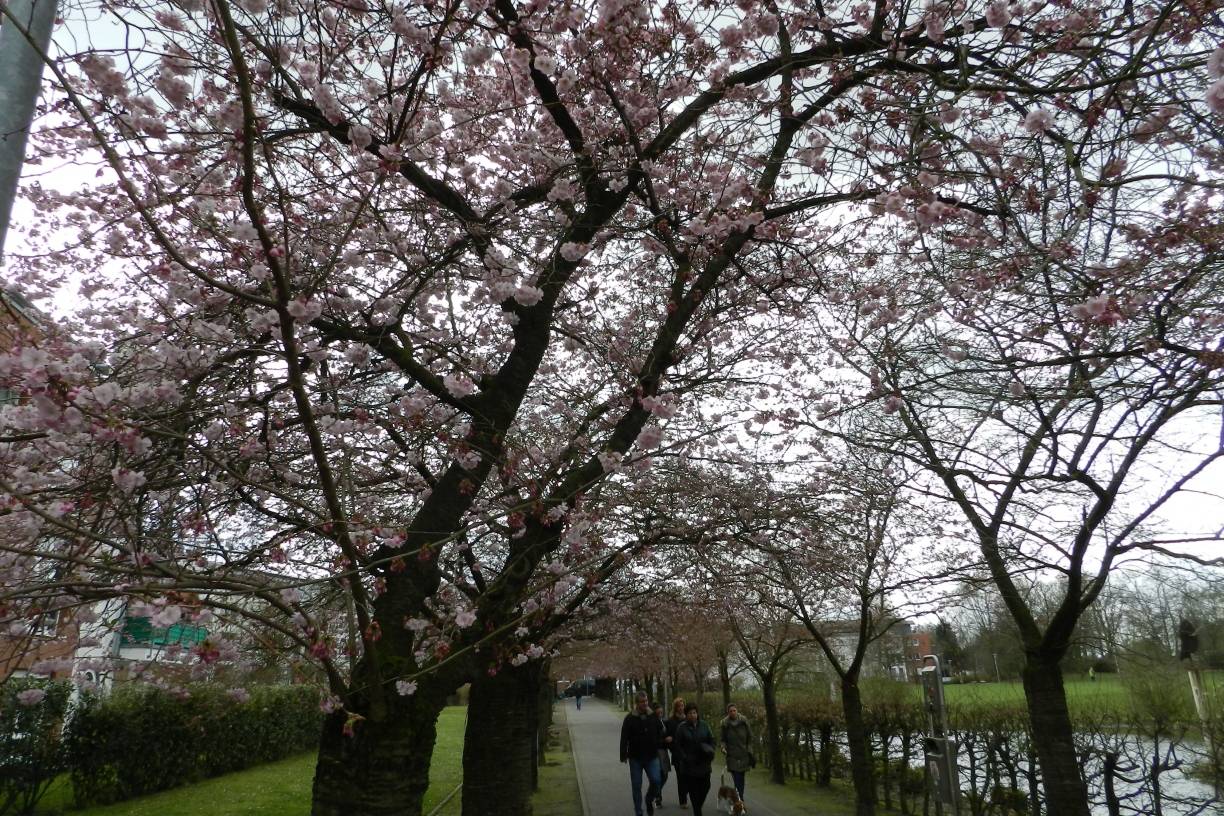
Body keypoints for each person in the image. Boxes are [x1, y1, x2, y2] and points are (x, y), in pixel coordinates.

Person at [620, 691, 666, 816]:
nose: (645, 703)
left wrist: (662, 741)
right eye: (642, 702)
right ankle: (638, 812)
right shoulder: (629, 718)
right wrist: (623, 754)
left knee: (656, 781)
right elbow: (624, 737)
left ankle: (648, 799)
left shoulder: (653, 716)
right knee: (636, 786)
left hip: (651, 756)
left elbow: (661, 730)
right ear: (637, 703)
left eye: (646, 701)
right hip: (636, 757)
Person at [672, 702, 715, 816]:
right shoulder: (681, 728)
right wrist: (684, 757)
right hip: (689, 767)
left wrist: (710, 751)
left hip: (704, 764)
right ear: (686, 715)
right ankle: (697, 811)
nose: (693, 715)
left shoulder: (704, 725)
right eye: (690, 713)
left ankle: (697, 807)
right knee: (694, 793)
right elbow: (677, 746)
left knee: (706, 787)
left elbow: (711, 740)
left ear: (697, 713)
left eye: (694, 712)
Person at [719, 703, 752, 802]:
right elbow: (722, 739)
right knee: (737, 777)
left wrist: (749, 749)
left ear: (737, 711)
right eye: (730, 711)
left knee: (741, 778)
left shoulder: (744, 721)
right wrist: (723, 748)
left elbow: (750, 737)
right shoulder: (725, 724)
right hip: (732, 755)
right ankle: (739, 799)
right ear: (728, 713)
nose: (733, 712)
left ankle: (738, 798)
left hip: (743, 754)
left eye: (734, 710)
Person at [665, 698, 688, 809]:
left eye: (682, 706)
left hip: (689, 754)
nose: (681, 708)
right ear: (675, 708)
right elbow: (668, 738)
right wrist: (673, 744)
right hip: (677, 754)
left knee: (689, 777)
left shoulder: (689, 719)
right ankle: (683, 801)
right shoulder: (671, 721)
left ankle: (688, 795)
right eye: (679, 706)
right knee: (681, 777)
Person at [653, 701, 672, 809]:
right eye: (658, 710)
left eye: (661, 710)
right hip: (656, 751)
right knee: (659, 774)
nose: (661, 712)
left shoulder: (664, 721)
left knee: (664, 775)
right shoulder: (652, 723)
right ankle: (658, 798)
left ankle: (656, 791)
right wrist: (665, 740)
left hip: (664, 752)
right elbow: (653, 739)